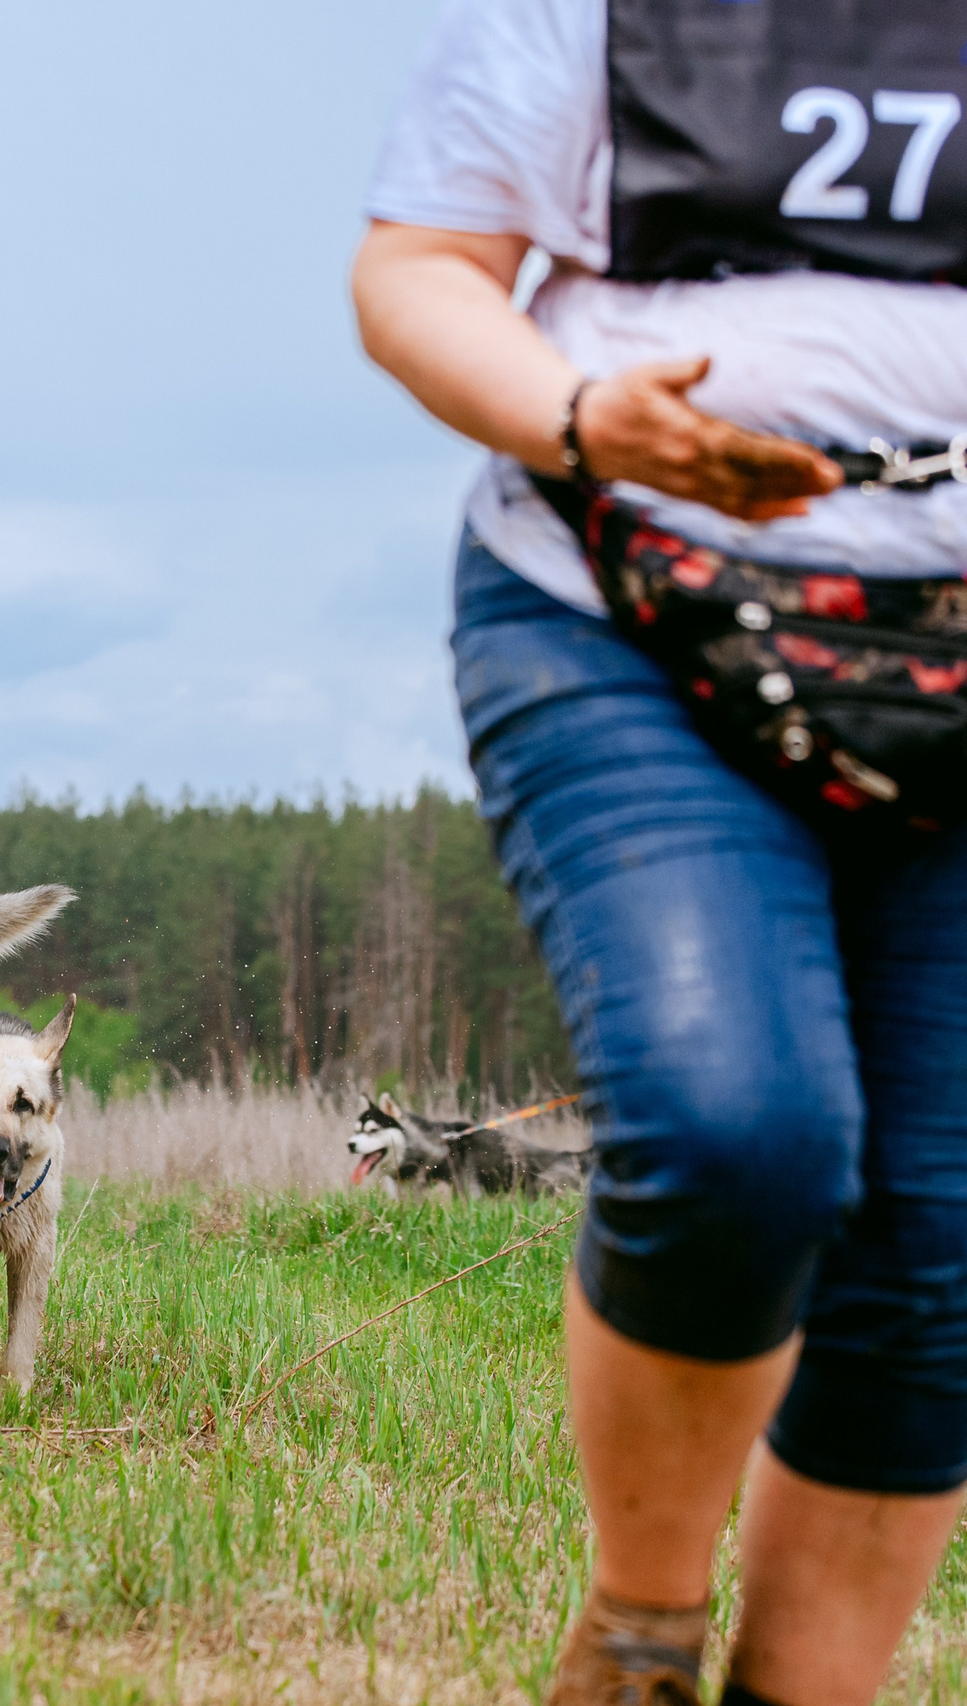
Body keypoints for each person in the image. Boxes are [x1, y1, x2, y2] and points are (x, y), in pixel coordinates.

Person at [354, 3, 967, 1701]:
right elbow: (414, 274)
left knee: (937, 1239)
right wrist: (577, 412)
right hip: (625, 607)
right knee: (735, 1121)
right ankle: (640, 1627)